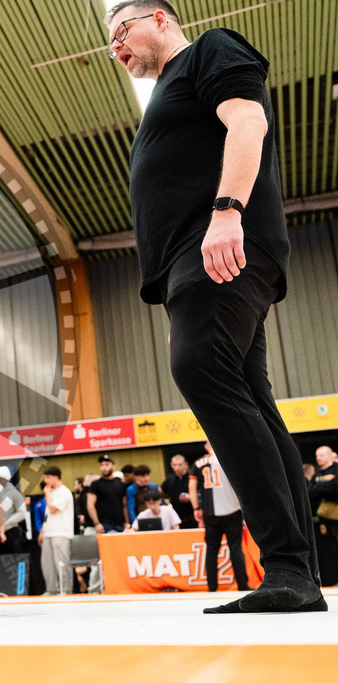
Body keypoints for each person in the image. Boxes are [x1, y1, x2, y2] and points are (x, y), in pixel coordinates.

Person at [106, 0, 323, 613]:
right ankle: (292, 572)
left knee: (200, 368)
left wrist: (227, 210)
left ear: (160, 18)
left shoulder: (210, 50)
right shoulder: (166, 93)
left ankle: (286, 566)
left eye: (122, 31)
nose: (118, 48)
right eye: (111, 42)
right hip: (193, 258)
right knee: (249, 393)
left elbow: (248, 124)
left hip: (220, 245)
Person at [190, 443, 250, 593]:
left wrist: (196, 507)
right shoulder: (229, 460)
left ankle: (212, 587)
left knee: (211, 551)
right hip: (232, 510)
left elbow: (192, 487)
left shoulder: (198, 463)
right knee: (235, 549)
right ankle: (242, 585)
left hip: (210, 512)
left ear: (206, 446)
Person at [38, 466, 73, 595]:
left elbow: (53, 509)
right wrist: (42, 532)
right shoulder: (51, 493)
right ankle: (51, 589)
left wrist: (47, 494)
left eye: (48, 477)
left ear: (56, 477)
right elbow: (47, 516)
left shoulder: (64, 492)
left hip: (61, 532)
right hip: (49, 532)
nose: (46, 481)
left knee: (61, 563)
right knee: (47, 564)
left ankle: (66, 590)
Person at [308, 445, 338, 586]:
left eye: (321, 455)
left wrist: (320, 489)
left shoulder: (336, 470)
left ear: (329, 455)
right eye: (316, 456)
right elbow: (310, 493)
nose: (318, 458)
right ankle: (330, 579)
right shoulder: (317, 475)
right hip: (323, 521)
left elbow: (335, 486)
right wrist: (326, 487)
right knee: (328, 552)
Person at [87, 454, 128, 535]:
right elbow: (90, 504)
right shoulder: (96, 484)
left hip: (120, 524)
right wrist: (96, 523)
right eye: (102, 465)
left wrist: (127, 522)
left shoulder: (120, 483)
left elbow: (125, 505)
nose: (104, 468)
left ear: (114, 466)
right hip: (104, 525)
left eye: (107, 464)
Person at [0, 467, 28, 554]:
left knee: (12, 557)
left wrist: (6, 523)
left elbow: (22, 513)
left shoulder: (14, 493)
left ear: (3, 479)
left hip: (11, 532)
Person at [162, 454, 196, 528]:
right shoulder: (169, 479)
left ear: (185, 464)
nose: (177, 467)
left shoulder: (192, 478)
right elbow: (161, 491)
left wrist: (191, 497)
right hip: (176, 519)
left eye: (180, 465)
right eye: (175, 465)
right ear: (171, 465)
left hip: (192, 517)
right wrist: (166, 501)